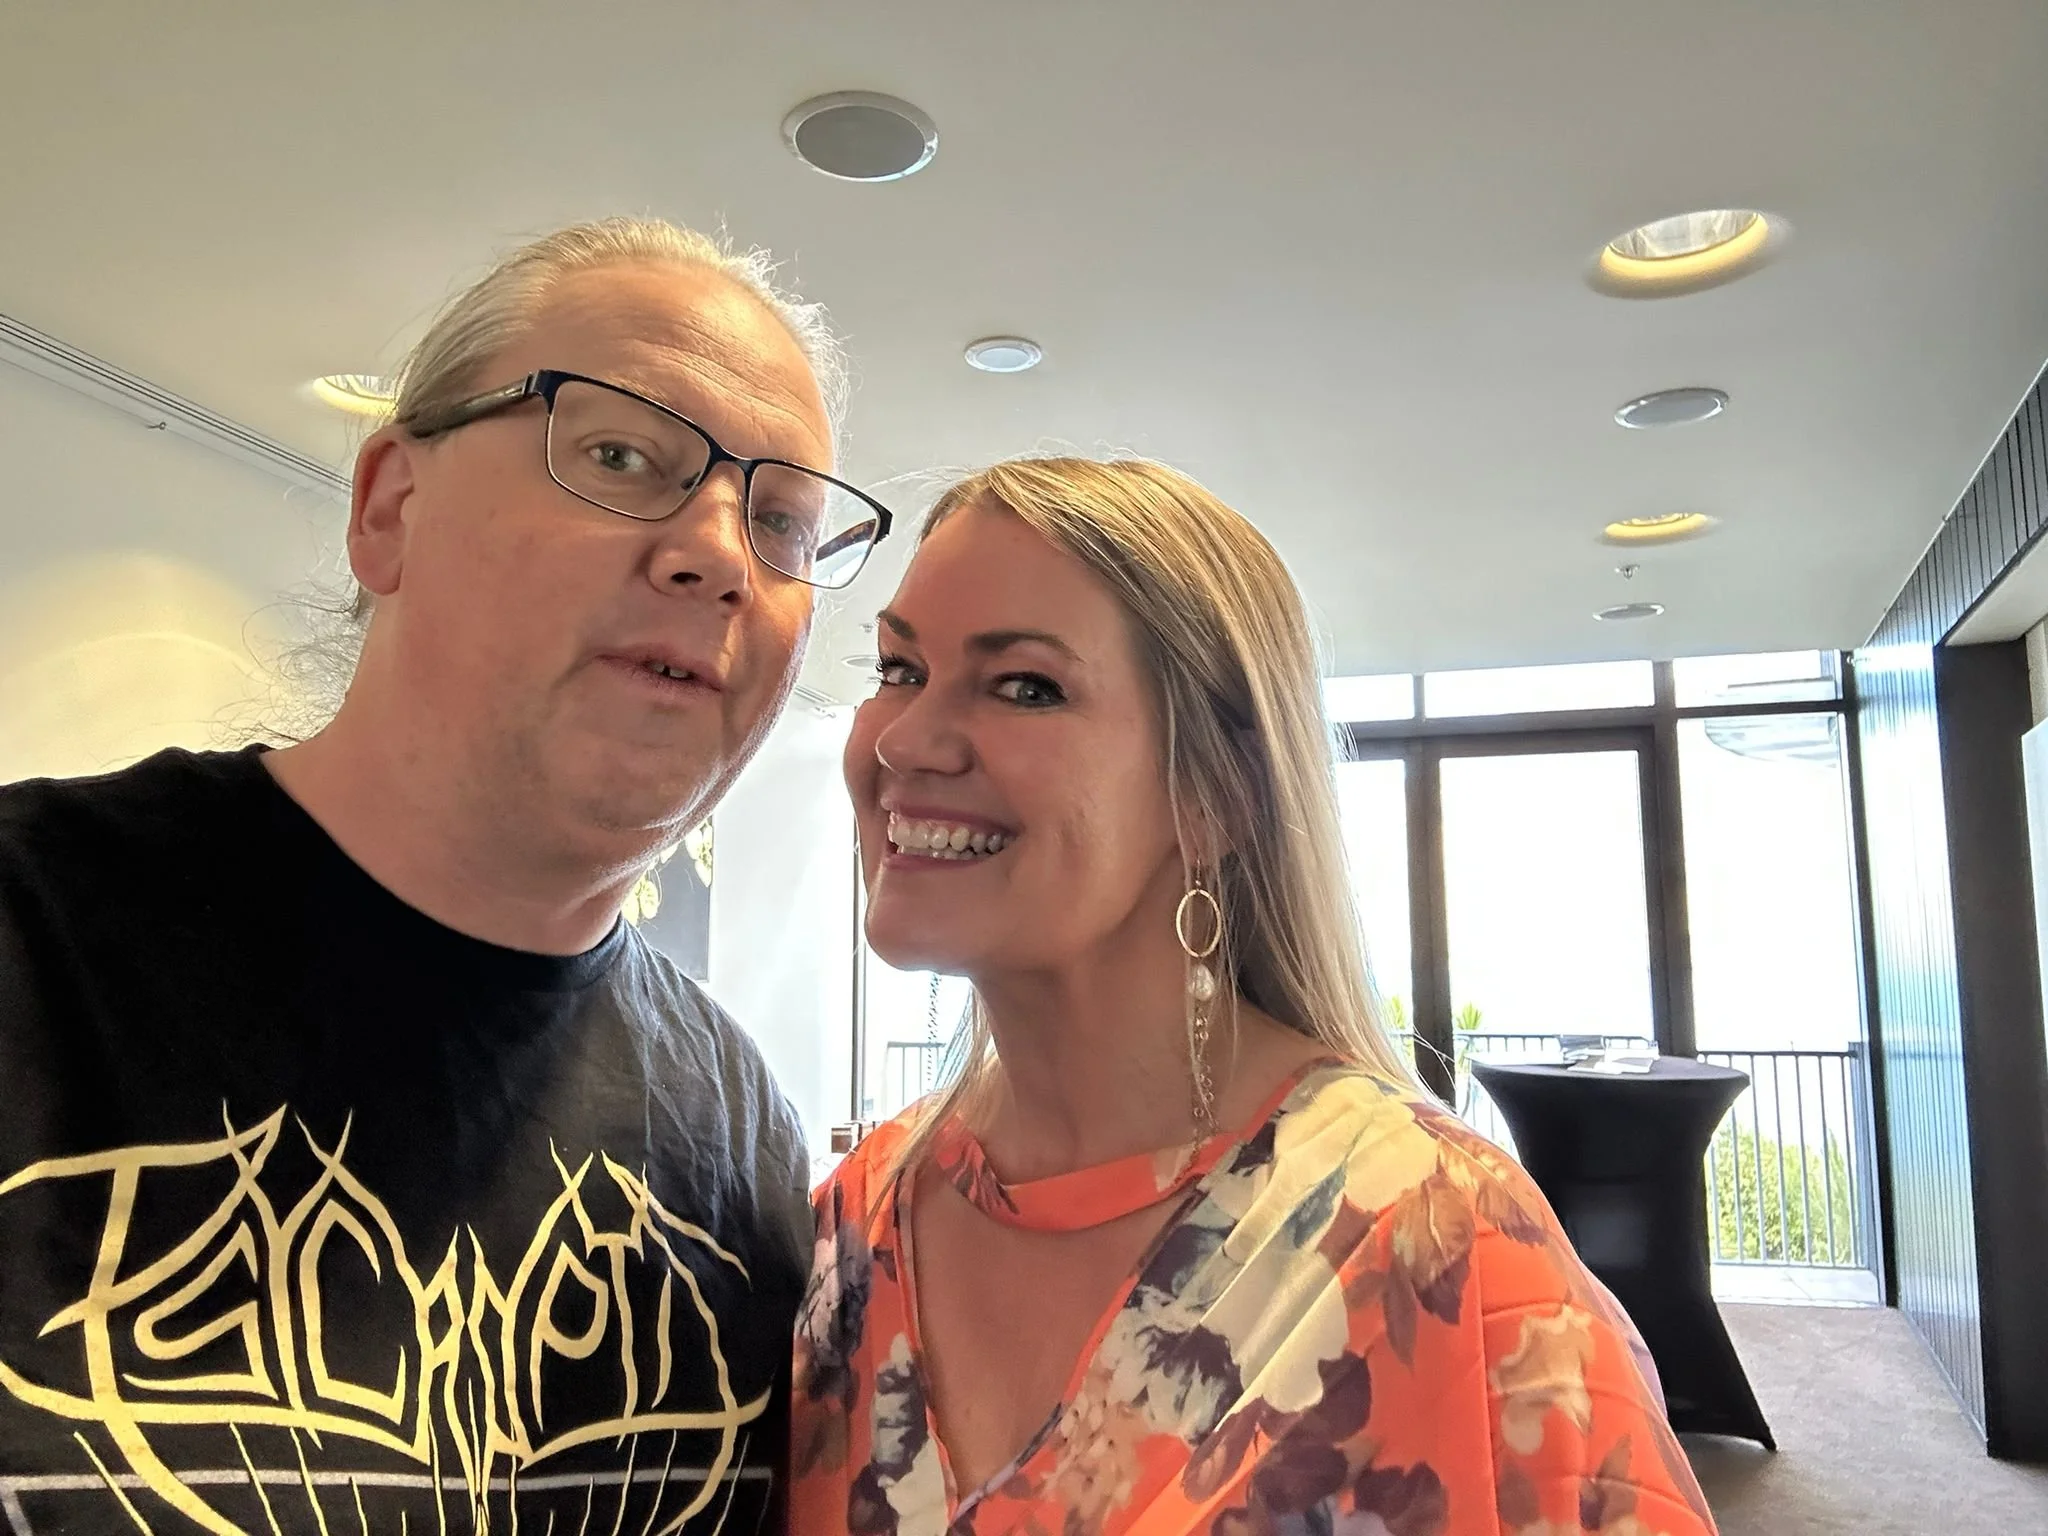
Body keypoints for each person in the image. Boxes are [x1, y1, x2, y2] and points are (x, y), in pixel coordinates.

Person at [0, 218, 894, 1534]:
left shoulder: (740, 1130)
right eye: (617, 455)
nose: (716, 552)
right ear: (389, 508)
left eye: (782, 523)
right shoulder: (35, 941)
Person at [791, 458, 1716, 1536]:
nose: (901, 742)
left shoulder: (1439, 1248)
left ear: (1215, 795)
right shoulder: (851, 1228)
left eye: (1023, 686)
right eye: (897, 669)